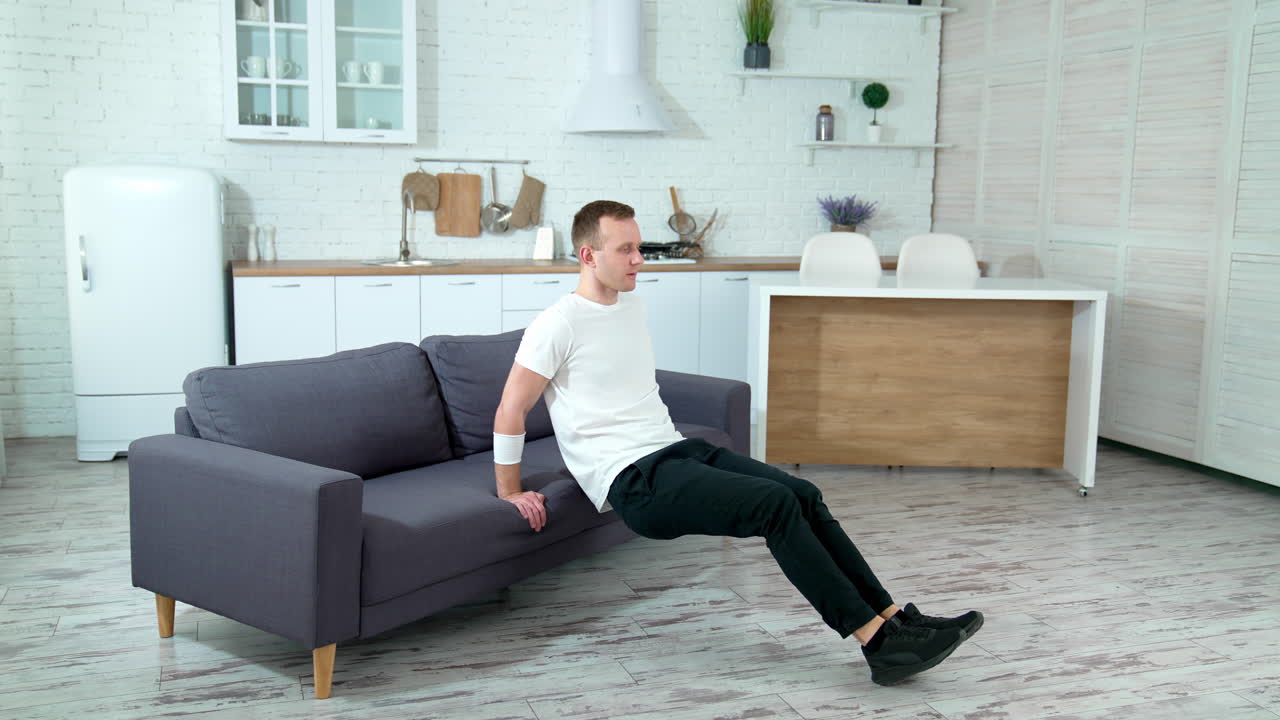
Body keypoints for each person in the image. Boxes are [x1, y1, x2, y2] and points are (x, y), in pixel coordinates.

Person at [492, 200, 982, 686]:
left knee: (803, 493)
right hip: (634, 479)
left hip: (675, 450)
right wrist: (510, 490)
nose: (639, 259)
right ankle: (876, 643)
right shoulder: (557, 323)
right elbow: (511, 409)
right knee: (773, 505)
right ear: (588, 255)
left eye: (639, 247)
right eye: (626, 250)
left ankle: (894, 620)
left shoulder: (630, 305)